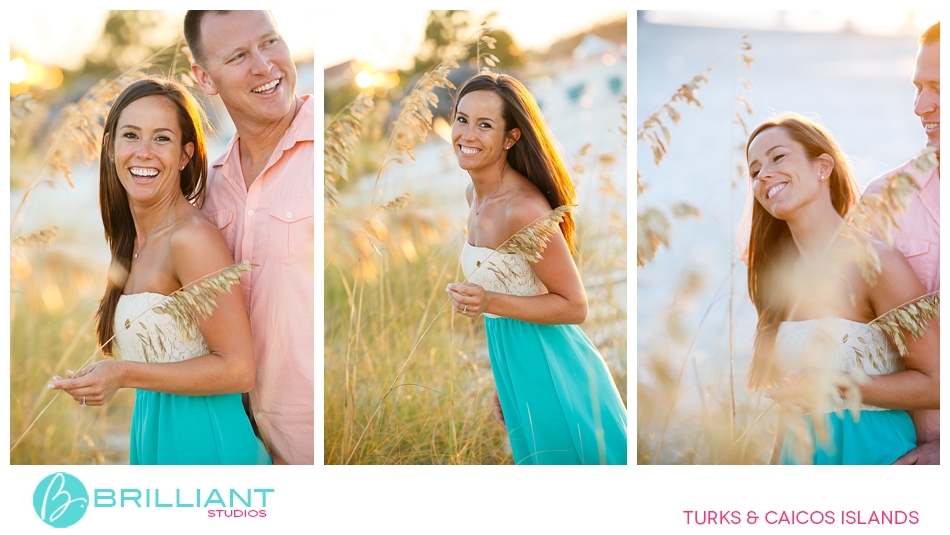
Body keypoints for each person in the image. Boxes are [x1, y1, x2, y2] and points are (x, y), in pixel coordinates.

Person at [50, 77, 270, 465]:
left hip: (206, 447)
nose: (144, 153)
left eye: (162, 139)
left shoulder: (191, 240)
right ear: (111, 148)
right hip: (153, 438)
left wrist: (122, 373)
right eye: (131, 135)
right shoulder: (131, 240)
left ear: (186, 155)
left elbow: (238, 369)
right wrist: (104, 375)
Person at [445, 73, 627, 465]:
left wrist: (488, 300)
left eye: (485, 125)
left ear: (511, 138)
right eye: (462, 119)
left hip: (555, 368)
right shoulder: (473, 195)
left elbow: (575, 306)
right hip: (514, 364)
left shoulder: (523, 208)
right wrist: (502, 379)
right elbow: (510, 307)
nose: (467, 134)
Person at [743, 114, 938, 464]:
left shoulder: (876, 264)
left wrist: (839, 384)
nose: (764, 175)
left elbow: (939, 382)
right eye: (754, 171)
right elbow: (792, 407)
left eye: (777, 157)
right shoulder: (780, 283)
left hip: (869, 453)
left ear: (823, 167)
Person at [184, 10, 314, 465]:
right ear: (205, 78)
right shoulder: (209, 185)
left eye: (271, 42)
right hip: (242, 448)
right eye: (238, 55)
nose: (264, 66)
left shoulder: (329, 152)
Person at [863, 22, 939, 465]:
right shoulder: (881, 197)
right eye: (917, 87)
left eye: (937, 88)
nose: (919, 106)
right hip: (890, 450)